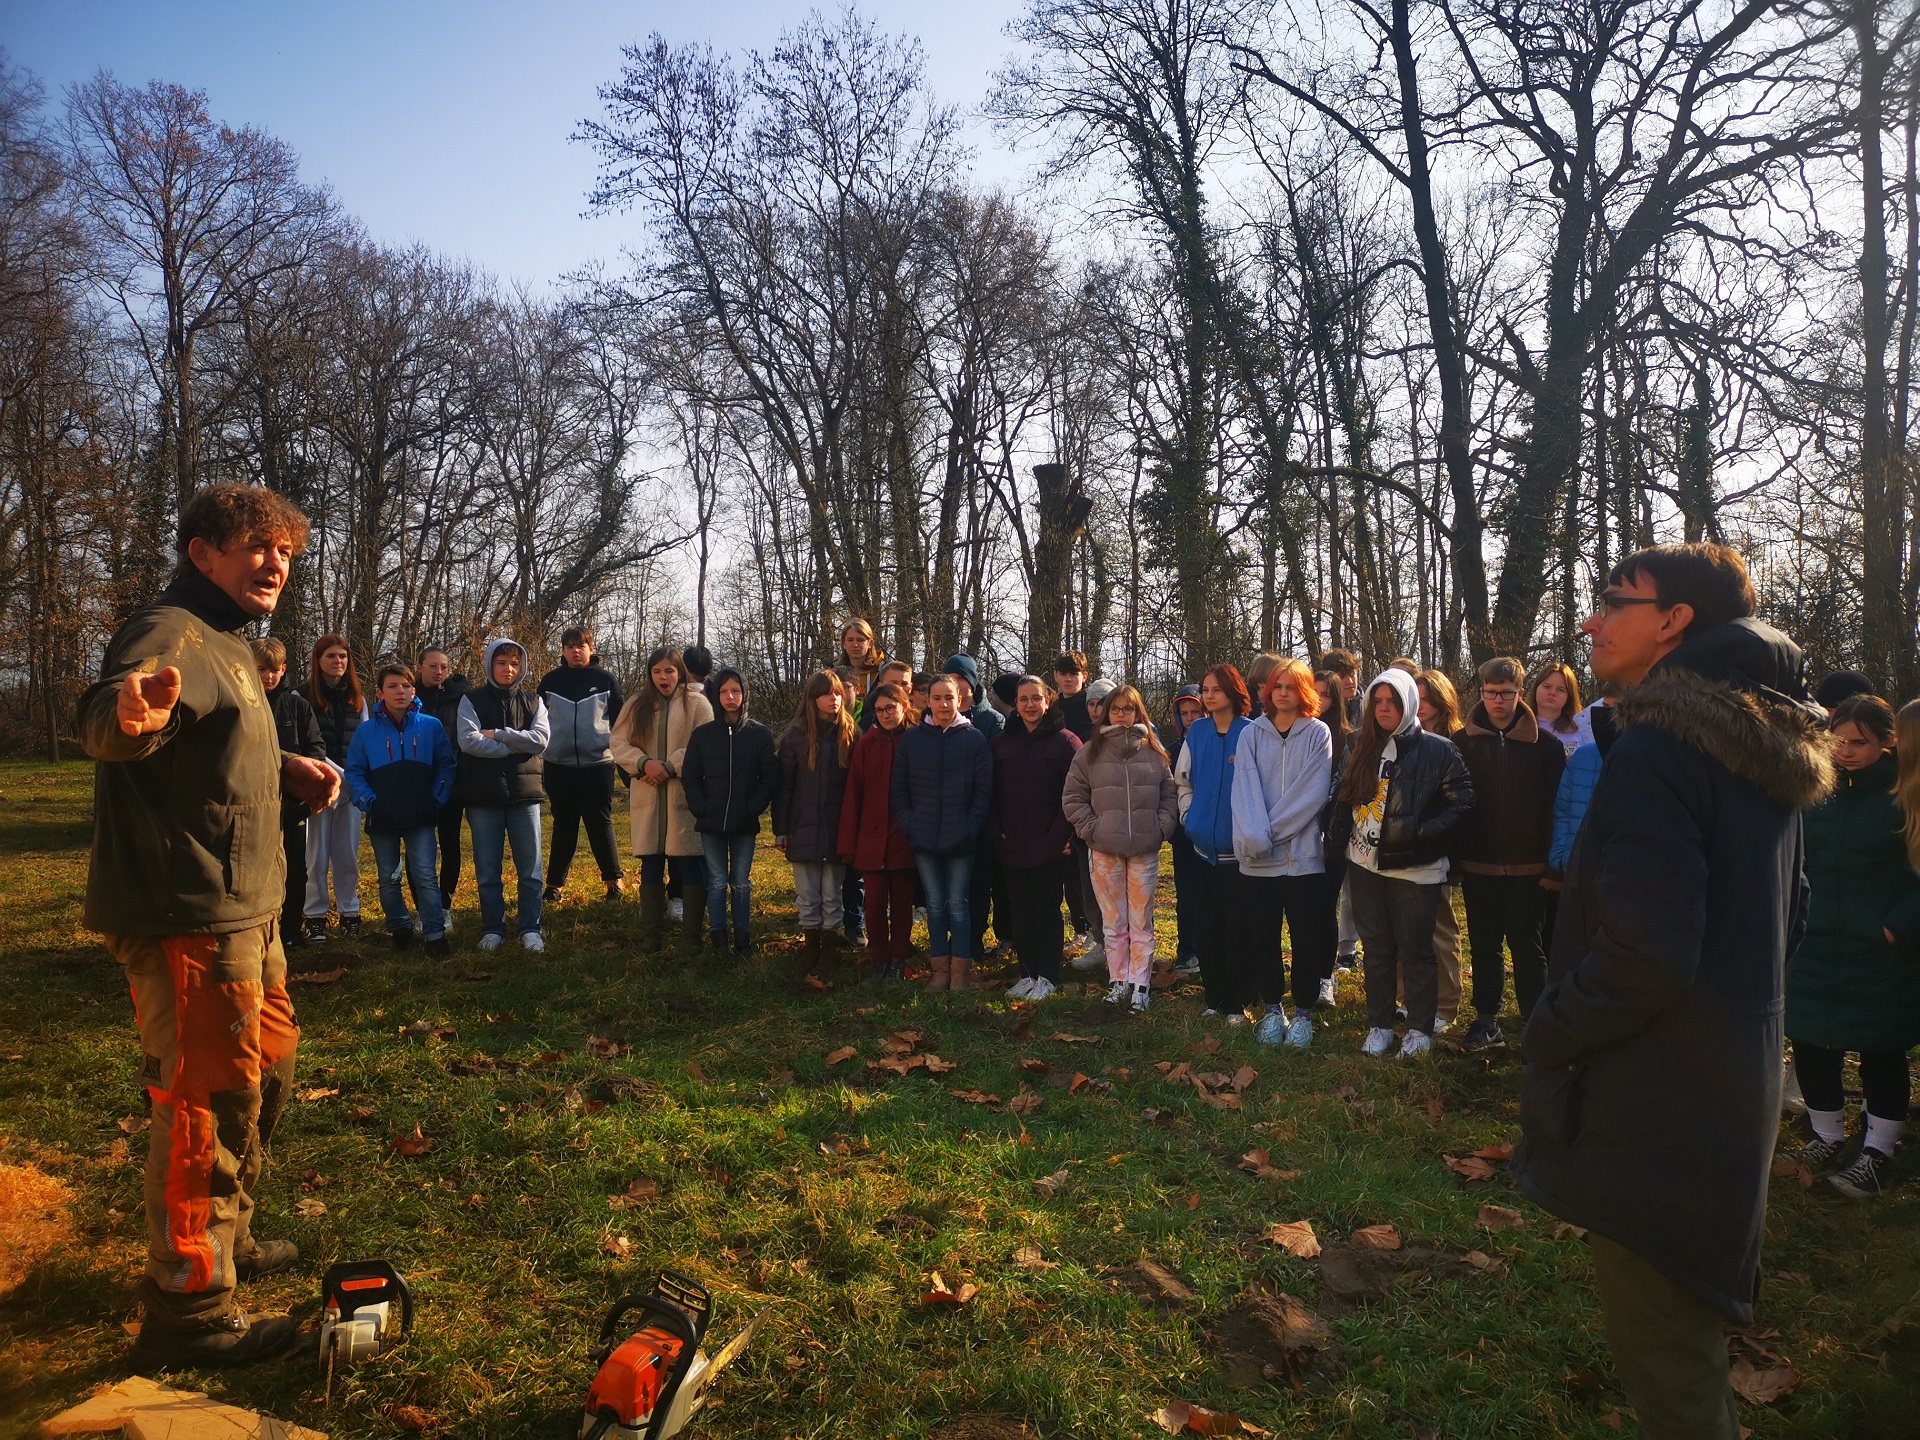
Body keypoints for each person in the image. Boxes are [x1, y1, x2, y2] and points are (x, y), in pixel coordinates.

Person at [1512, 543, 1833, 1439]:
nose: (1591, 620)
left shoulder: (1664, 747)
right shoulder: (1759, 739)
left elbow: (1648, 953)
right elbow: (1789, 917)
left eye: (1613, 601)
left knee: (1674, 1374)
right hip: (1732, 1079)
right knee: (1684, 1340)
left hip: (1661, 1099)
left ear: (1674, 623)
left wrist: (1551, 1026)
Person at [83, 483, 336, 1366]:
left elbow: (214, 748)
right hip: (187, 913)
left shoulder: (229, 641)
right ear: (203, 552)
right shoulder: (172, 632)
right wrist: (126, 716)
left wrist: (287, 764)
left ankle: (227, 1235)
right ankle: (187, 1310)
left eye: (286, 554)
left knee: (265, 1074)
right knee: (204, 1103)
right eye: (256, 548)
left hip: (248, 912)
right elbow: (115, 715)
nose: (275, 565)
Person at [1785, 694, 1920, 1198]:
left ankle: (1878, 1150)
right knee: (1812, 1038)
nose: (1844, 751)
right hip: (1815, 941)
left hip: (1881, 950)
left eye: (1858, 743)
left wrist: (1896, 926)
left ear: (1889, 741)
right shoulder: (1815, 789)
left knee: (1881, 1048)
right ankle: (1826, 1135)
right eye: (1836, 741)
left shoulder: (1906, 793)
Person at [1326, 669, 1475, 1059]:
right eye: (1378, 701)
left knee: (1416, 950)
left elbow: (1462, 804)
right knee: (1376, 949)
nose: (1384, 709)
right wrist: (1336, 845)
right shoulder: (1359, 743)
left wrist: (1419, 835)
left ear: (1409, 703)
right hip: (1364, 864)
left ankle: (1419, 1029)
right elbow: (1344, 796)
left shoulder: (1439, 749)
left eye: (1393, 702)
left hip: (1415, 869)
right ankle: (1379, 1026)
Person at [1454, 656, 1566, 1052]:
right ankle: (1486, 1020)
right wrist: (1454, 861)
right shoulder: (1461, 742)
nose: (1497, 701)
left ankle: (1535, 1022)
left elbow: (1558, 808)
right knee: (1483, 945)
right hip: (1477, 863)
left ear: (1521, 694)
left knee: (1528, 946)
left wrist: (1554, 866)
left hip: (1529, 866)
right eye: (1490, 692)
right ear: (1480, 692)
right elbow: (1453, 805)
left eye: (1505, 693)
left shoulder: (1547, 747)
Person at [1232, 658, 1335, 1048]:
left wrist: (1269, 832)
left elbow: (1312, 792)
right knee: (1264, 936)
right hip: (1258, 860)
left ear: (1304, 690)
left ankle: (1304, 1012)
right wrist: (1256, 838)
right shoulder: (1251, 735)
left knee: (1307, 937)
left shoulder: (1317, 733)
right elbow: (1244, 788)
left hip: (1303, 858)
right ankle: (1273, 1009)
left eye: (1291, 686)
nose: (1283, 693)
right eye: (1277, 686)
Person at [1063, 684, 1177, 1012]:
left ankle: (1140, 984)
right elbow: (1073, 798)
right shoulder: (1089, 753)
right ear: (1106, 712)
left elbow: (1169, 795)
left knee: (1141, 921)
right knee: (1114, 922)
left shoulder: (1154, 752)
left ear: (1138, 712)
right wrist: (1093, 830)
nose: (1122, 714)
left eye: (1129, 709)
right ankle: (1118, 981)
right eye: (1116, 709)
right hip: (1104, 850)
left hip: (1144, 849)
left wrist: (1160, 828)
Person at [345, 661, 456, 956]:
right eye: (392, 686)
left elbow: (446, 765)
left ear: (413, 690)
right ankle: (400, 927)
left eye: (406, 685)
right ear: (380, 692)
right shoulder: (367, 731)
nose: (400, 691)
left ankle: (435, 934)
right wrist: (369, 801)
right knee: (388, 876)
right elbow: (354, 772)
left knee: (425, 875)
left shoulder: (430, 726)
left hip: (420, 814)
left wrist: (436, 799)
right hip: (383, 815)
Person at [892, 674, 992, 991]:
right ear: (927, 701)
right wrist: (911, 825)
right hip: (923, 838)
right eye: (937, 698)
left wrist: (970, 827)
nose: (943, 704)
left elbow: (983, 792)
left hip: (961, 838)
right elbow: (899, 790)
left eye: (949, 698)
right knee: (934, 904)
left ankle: (960, 970)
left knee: (958, 903)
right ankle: (939, 969)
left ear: (959, 700)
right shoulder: (913, 739)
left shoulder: (974, 738)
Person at [611, 647, 713, 953]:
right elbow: (617, 742)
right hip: (648, 796)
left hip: (684, 796)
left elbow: (704, 743)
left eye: (669, 671)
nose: (663, 677)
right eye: (657, 671)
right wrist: (643, 763)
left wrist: (669, 766)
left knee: (691, 865)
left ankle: (691, 938)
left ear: (680, 672)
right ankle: (651, 936)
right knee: (651, 865)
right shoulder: (636, 704)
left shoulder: (697, 703)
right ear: (649, 674)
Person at [992, 676, 1084, 1000]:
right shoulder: (1002, 743)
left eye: (1035, 698)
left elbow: (1074, 797)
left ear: (1048, 701)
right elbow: (990, 792)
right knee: (1020, 910)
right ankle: (1027, 973)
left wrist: (1055, 838)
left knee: (1046, 911)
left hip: (1051, 847)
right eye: (1023, 700)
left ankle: (1048, 975)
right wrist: (997, 833)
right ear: (1015, 705)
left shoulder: (1066, 743)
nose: (1030, 705)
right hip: (1011, 844)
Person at [456, 639, 550, 952]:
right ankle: (493, 928)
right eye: (501, 663)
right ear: (489, 665)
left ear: (521, 666)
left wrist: (498, 735)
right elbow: (469, 741)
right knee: (487, 869)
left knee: (531, 869)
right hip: (484, 796)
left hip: (525, 796)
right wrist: (516, 747)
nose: (508, 669)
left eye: (514, 663)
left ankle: (530, 928)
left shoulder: (534, 701)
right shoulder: (470, 700)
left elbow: (540, 740)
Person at [1174, 665, 1255, 1021]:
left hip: (1239, 855)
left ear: (1233, 692)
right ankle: (1214, 997)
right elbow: (1183, 781)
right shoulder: (1198, 732)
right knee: (1207, 927)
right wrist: (1190, 819)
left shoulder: (1251, 733)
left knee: (1237, 928)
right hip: (1202, 850)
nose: (1208, 696)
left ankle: (1238, 1001)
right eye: (1205, 689)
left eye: (1216, 689)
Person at [681, 666, 777, 955]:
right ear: (716, 695)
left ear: (745, 694)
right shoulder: (703, 735)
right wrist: (700, 807)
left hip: (744, 823)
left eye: (735, 690)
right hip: (711, 822)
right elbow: (690, 775)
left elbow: (769, 777)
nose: (730, 696)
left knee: (741, 882)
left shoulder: (759, 734)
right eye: (724, 691)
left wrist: (753, 808)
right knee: (717, 881)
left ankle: (743, 939)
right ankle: (719, 939)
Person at [774, 670, 857, 973]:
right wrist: (781, 830)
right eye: (825, 693)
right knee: (808, 895)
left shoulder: (851, 734)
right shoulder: (795, 738)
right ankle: (811, 948)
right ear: (811, 698)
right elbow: (783, 789)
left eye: (836, 692)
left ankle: (830, 950)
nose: (833, 698)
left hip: (837, 829)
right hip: (802, 828)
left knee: (832, 895)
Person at [536, 625, 625, 906]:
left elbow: (621, 723)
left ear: (591, 648)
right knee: (564, 824)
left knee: (600, 823)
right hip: (557, 765)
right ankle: (554, 886)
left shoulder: (606, 680)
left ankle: (614, 884)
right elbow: (537, 722)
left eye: (581, 645)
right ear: (562, 650)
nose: (576, 651)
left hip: (598, 765)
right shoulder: (550, 682)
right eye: (570, 646)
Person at [839, 680, 919, 978]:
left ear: (904, 707)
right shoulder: (866, 744)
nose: (885, 715)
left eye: (891, 708)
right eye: (879, 710)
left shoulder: (914, 740)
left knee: (901, 903)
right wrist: (850, 841)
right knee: (872, 904)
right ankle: (878, 958)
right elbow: (854, 793)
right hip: (871, 838)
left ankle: (898, 958)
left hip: (904, 837)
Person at [253, 638, 325, 942]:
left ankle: (291, 932)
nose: (269, 676)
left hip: (291, 805)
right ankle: (256, 934)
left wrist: (305, 791)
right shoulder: (240, 702)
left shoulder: (297, 705)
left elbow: (316, 750)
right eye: (261, 669)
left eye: (274, 670)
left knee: (295, 871)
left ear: (283, 670)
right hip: (251, 803)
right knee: (254, 873)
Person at [296, 634, 367, 943]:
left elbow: (364, 741)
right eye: (331, 656)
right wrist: (336, 774)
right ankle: (314, 915)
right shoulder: (301, 697)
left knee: (347, 853)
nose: (338, 662)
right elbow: (304, 744)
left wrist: (354, 778)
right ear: (318, 660)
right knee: (316, 855)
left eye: (342, 656)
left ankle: (349, 911)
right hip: (317, 787)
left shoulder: (358, 699)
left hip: (351, 790)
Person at [1414, 669, 1467, 1031]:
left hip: (1440, 849)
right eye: (1414, 697)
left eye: (1427, 697)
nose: (1421, 706)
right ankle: (1407, 999)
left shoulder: (1457, 741)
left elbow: (1462, 802)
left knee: (1440, 928)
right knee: (1405, 930)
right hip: (1403, 851)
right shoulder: (1399, 738)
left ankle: (1446, 1006)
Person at [416, 647, 470, 929]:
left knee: (450, 844)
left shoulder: (461, 697)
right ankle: (424, 910)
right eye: (433, 666)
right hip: (416, 784)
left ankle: (444, 907)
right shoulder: (409, 695)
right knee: (418, 849)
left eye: (444, 667)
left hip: (452, 782)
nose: (439, 672)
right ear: (420, 667)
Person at [1163, 684, 1206, 975]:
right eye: (1184, 713)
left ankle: (1212, 951)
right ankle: (1187, 952)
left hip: (1214, 835)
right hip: (1183, 834)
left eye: (1195, 712)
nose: (1190, 718)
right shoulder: (1174, 750)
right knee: (1187, 895)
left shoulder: (1217, 743)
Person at [1529, 661, 1588, 755]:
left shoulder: (1581, 730)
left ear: (1569, 697)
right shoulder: (1520, 724)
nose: (1552, 693)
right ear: (1536, 688)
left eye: (1561, 690)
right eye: (1547, 686)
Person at [838, 619, 886, 718]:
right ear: (843, 644)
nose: (855, 645)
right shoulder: (834, 673)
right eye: (850, 640)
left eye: (860, 640)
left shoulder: (883, 672)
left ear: (870, 644)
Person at [858, 660, 916, 730]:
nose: (899, 688)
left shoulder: (922, 720)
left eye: (904, 684)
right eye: (893, 684)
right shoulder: (869, 722)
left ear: (911, 687)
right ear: (880, 686)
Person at [1054, 651, 1094, 741]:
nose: (1068, 679)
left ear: (1084, 676)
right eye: (1063, 674)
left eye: (1073, 674)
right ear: (1055, 676)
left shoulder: (1093, 703)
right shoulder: (1052, 708)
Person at [1321, 648, 1362, 727]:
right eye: (1342, 676)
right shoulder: (1318, 712)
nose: (1349, 681)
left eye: (1352, 674)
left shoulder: (1367, 708)